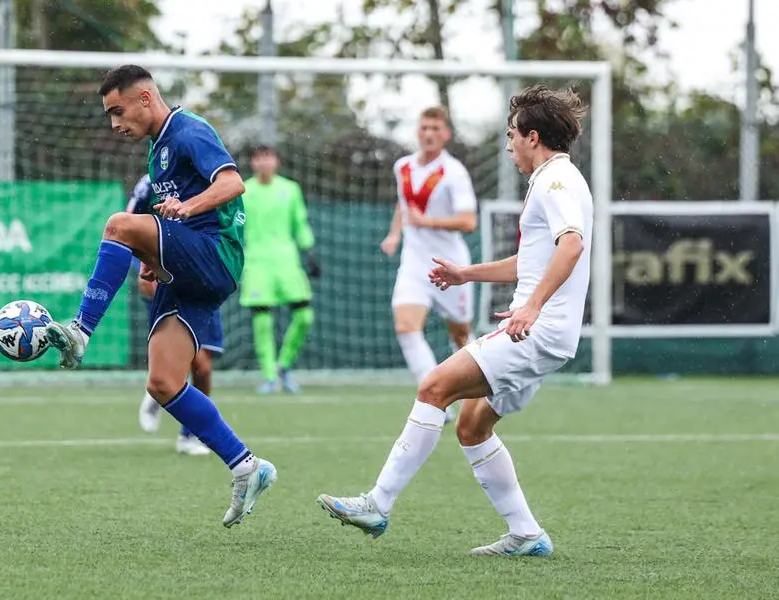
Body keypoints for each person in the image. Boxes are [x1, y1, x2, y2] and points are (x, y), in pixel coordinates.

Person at [317, 84, 592, 557]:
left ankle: (377, 504)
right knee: (472, 426)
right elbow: (532, 261)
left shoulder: (556, 181)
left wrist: (530, 308)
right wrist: (467, 274)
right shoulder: (551, 178)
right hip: (544, 333)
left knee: (434, 388)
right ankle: (527, 535)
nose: (508, 146)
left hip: (535, 331)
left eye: (511, 135)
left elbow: (572, 244)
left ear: (532, 136)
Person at [46, 65, 276, 528]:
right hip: (188, 269)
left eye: (118, 110)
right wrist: (154, 253)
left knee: (118, 224)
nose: (114, 123)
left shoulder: (188, 129)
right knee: (164, 382)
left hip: (217, 255)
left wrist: (184, 210)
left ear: (146, 98)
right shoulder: (157, 151)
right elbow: (171, 218)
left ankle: (80, 330)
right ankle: (246, 466)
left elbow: (232, 183)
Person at [380, 106, 478, 422]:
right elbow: (404, 204)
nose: (429, 133)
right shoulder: (403, 166)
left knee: (461, 335)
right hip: (414, 263)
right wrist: (395, 234)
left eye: (436, 128)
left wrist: (429, 222)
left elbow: (468, 221)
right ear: (417, 132)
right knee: (405, 326)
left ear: (446, 134)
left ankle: (479, 394)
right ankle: (436, 399)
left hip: (451, 267)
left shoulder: (454, 172)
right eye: (424, 127)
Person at [129, 174, 215, 456]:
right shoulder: (152, 182)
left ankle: (187, 434)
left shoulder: (216, 181)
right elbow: (128, 223)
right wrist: (142, 265)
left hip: (205, 278)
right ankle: (161, 388)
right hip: (166, 280)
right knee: (191, 359)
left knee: (202, 369)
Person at [239, 145, 320, 394]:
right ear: (253, 163)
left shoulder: (290, 189)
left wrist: (311, 251)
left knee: (304, 317)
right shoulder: (243, 190)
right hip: (256, 263)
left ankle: (284, 365)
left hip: (287, 262)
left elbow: (300, 223)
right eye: (258, 158)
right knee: (262, 321)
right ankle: (269, 375)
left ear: (276, 161)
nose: (264, 163)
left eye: (268, 158)